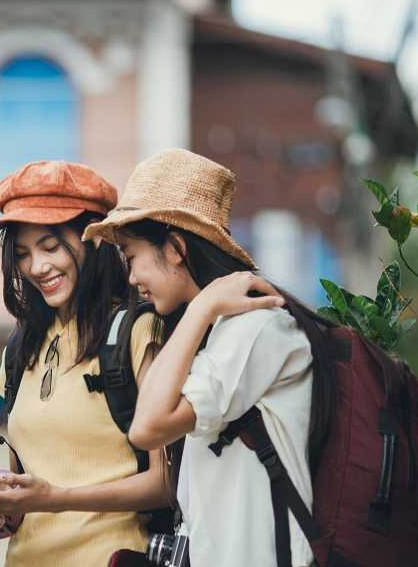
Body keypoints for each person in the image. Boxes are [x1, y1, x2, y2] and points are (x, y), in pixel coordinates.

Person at [83, 149, 334, 567]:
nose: (130, 278)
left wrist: (201, 308)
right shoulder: (218, 332)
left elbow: (147, 428)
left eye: (131, 256)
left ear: (177, 247)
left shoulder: (257, 327)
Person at [0, 160, 172, 566]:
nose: (37, 267)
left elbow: (166, 482)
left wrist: (57, 500)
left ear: (93, 239)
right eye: (22, 254)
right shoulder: (20, 347)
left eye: (50, 247)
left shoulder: (137, 330)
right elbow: (26, 492)